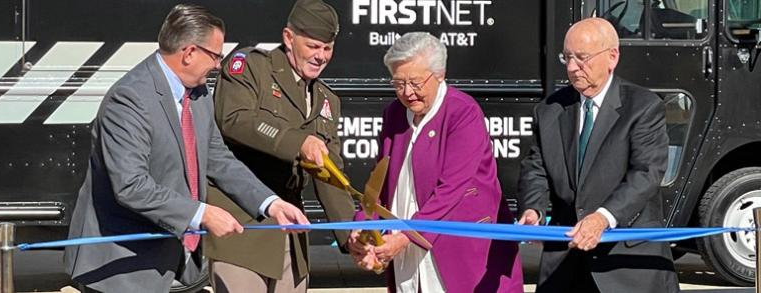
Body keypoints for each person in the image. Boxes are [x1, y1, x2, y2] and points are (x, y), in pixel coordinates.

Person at [64, 4, 309, 292]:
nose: (218, 65)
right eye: (216, 56)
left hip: (173, 261)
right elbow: (131, 186)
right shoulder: (130, 99)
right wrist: (203, 214)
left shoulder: (199, 93)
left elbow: (219, 160)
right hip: (121, 268)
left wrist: (270, 203)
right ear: (189, 53)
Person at [346, 32, 524, 293]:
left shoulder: (463, 112)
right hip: (408, 259)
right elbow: (381, 186)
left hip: (461, 257)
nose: (407, 92)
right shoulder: (393, 114)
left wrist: (405, 237)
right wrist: (362, 226)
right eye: (398, 83)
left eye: (415, 82)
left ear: (440, 74)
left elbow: (451, 190)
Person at [516, 18, 679, 292]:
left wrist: (603, 217)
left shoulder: (643, 107)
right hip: (566, 263)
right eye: (566, 57)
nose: (571, 67)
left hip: (627, 265)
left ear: (612, 57)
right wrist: (534, 210)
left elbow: (646, 173)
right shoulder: (550, 110)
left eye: (582, 58)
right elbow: (537, 168)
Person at [205, 0, 356, 292]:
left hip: (291, 235)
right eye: (313, 46)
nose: (321, 56)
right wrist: (298, 141)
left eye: (327, 48)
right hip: (243, 228)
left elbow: (329, 174)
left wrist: (351, 233)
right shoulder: (251, 67)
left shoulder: (327, 100)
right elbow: (234, 119)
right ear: (288, 37)